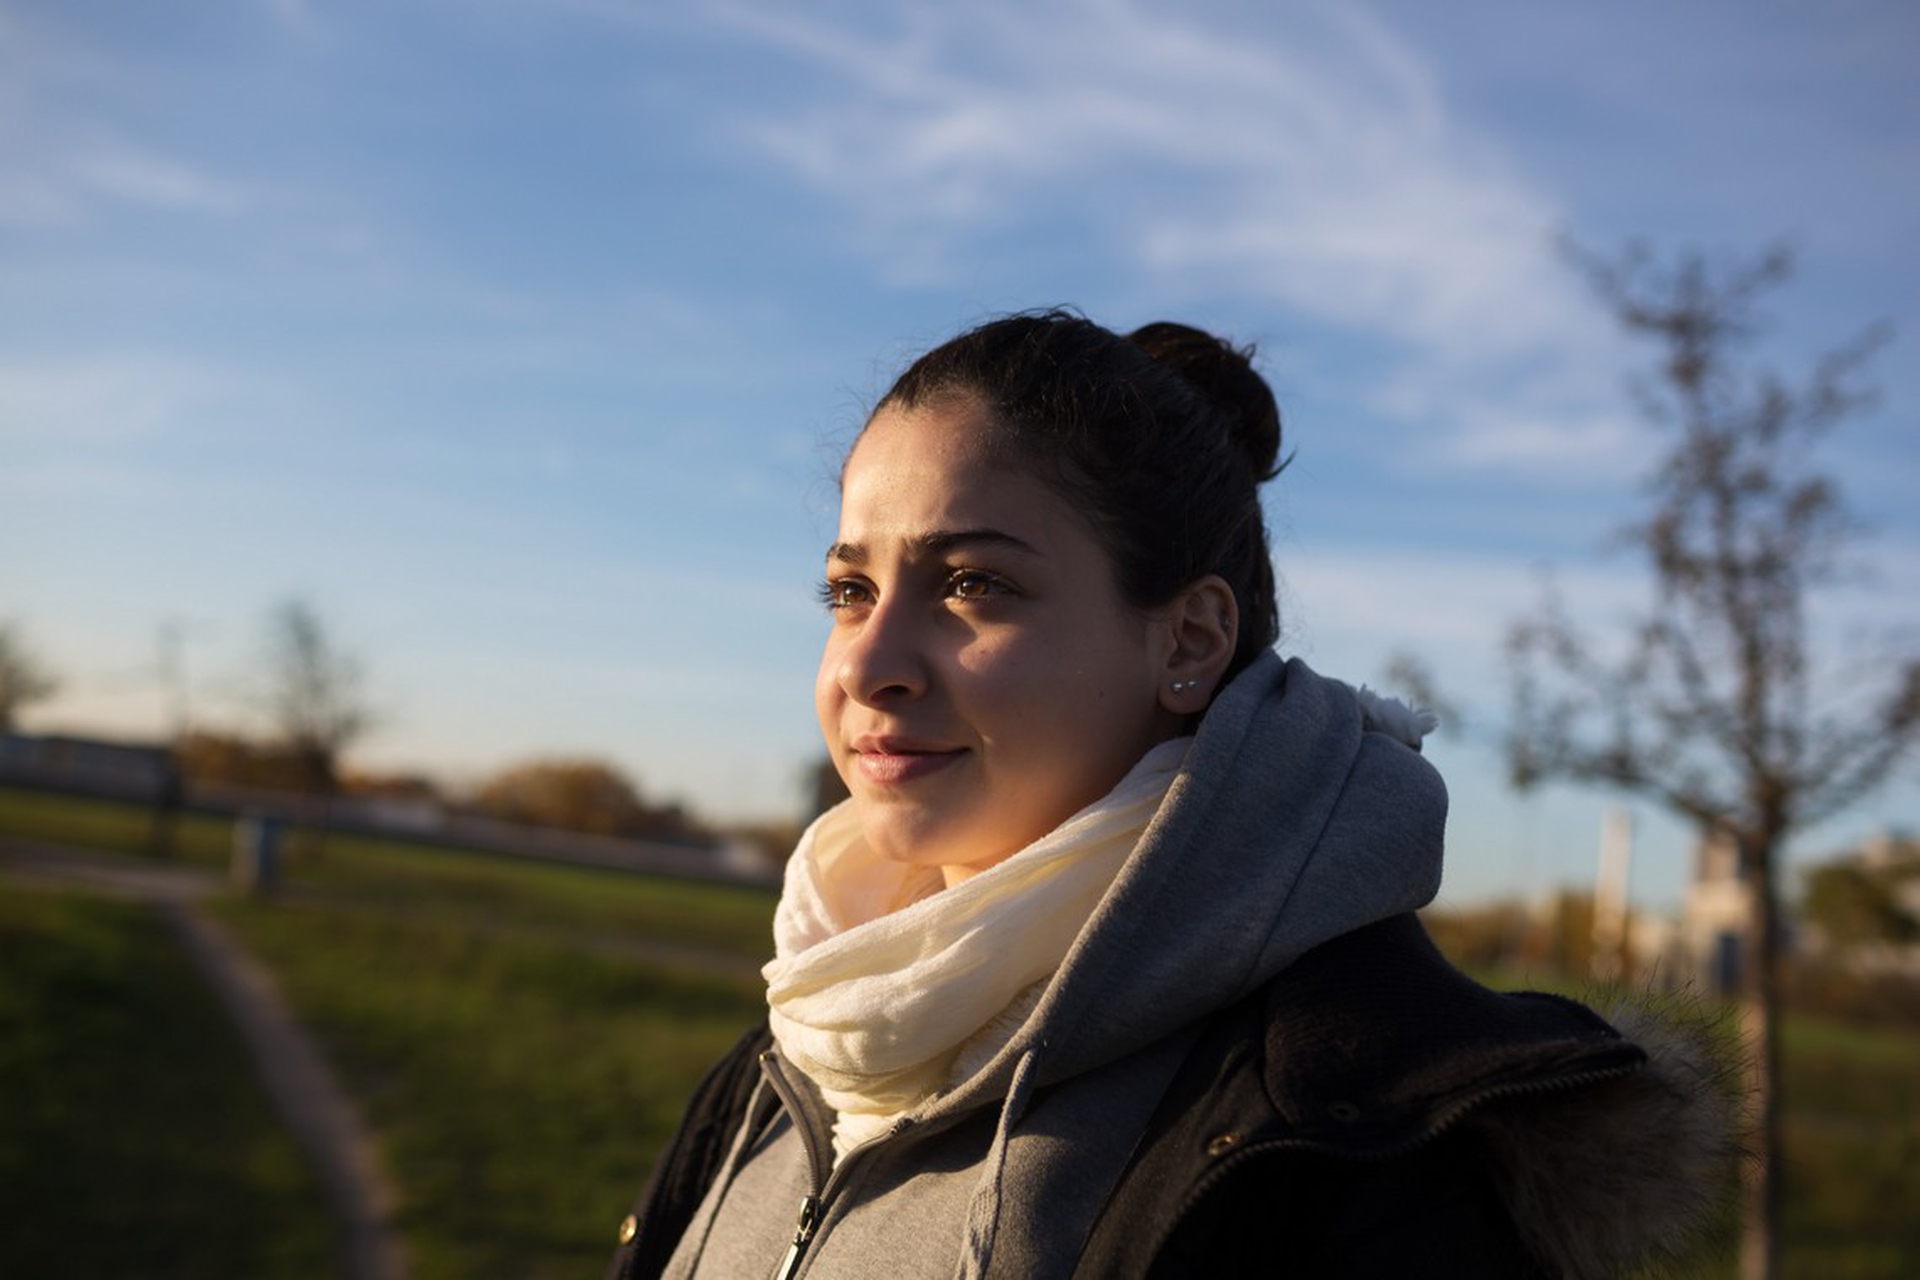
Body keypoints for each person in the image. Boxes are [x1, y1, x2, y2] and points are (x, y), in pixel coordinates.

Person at [605, 312, 1736, 1279]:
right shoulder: (821, 1014)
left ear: (1189, 639)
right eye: (850, 588)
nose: (867, 662)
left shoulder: (1346, 1148)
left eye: (971, 584)